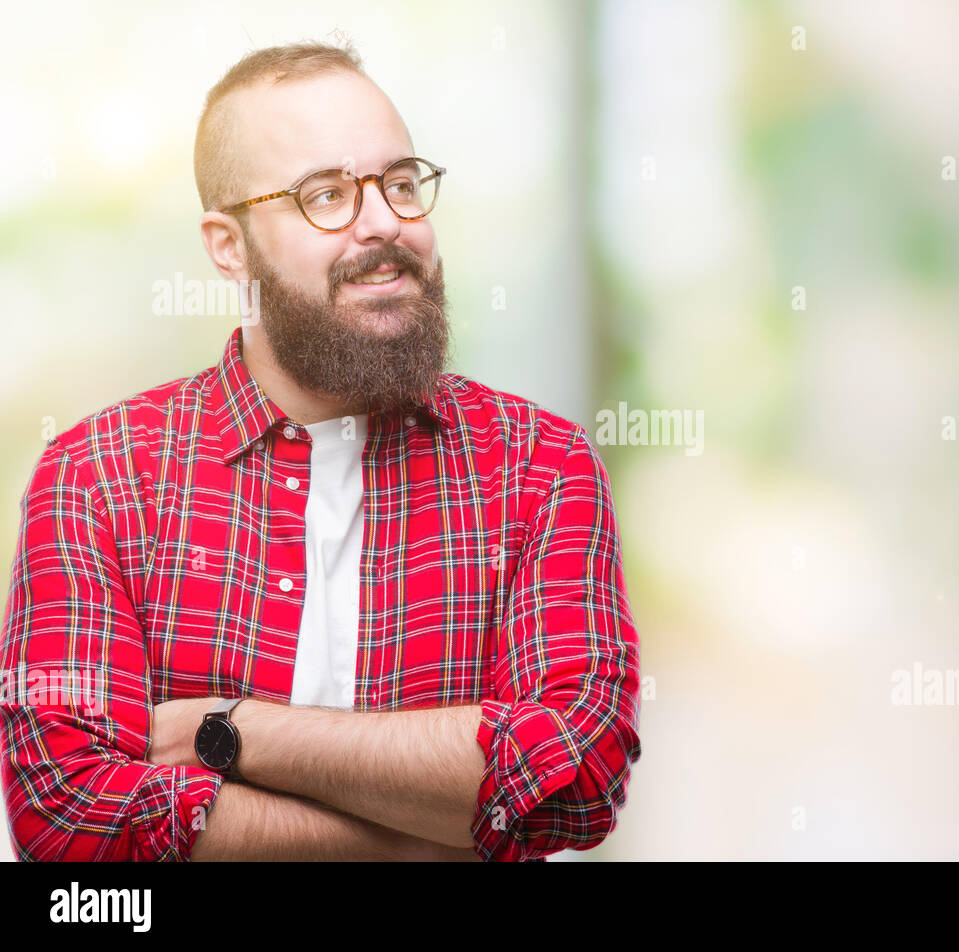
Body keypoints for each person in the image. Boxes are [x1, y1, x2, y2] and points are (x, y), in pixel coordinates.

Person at [0, 41, 641, 862]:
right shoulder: (99, 476)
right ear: (228, 247)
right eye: (325, 195)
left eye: (401, 184)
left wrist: (228, 731)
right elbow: (70, 826)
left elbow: (577, 776)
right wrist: (433, 838)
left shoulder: (540, 466)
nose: (384, 223)